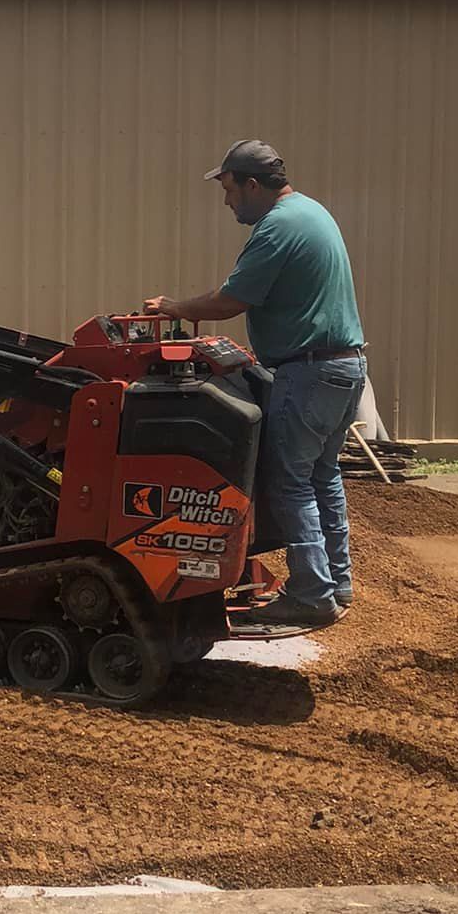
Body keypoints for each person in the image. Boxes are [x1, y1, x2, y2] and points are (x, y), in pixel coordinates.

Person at [143, 139, 366, 628]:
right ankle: (336, 581)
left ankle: (311, 594)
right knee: (322, 476)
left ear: (251, 183)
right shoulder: (312, 212)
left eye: (228, 190)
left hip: (307, 371)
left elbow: (231, 300)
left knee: (289, 482)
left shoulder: (278, 227)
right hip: (342, 368)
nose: (227, 202)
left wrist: (174, 308)